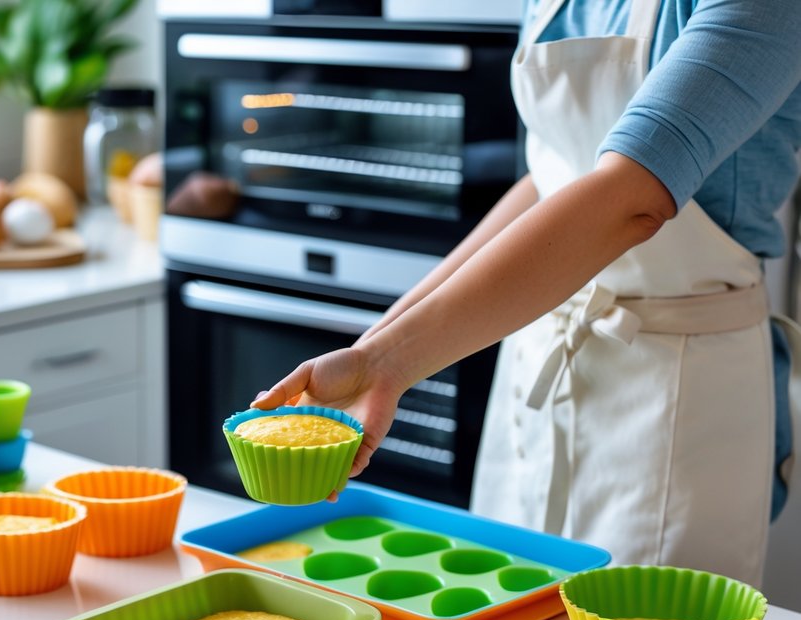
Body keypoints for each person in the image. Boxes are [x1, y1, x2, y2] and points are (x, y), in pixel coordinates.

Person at [251, 0, 801, 588]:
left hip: (677, 390)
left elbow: (630, 196)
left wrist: (391, 361)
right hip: (539, 362)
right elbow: (552, 178)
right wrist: (376, 345)